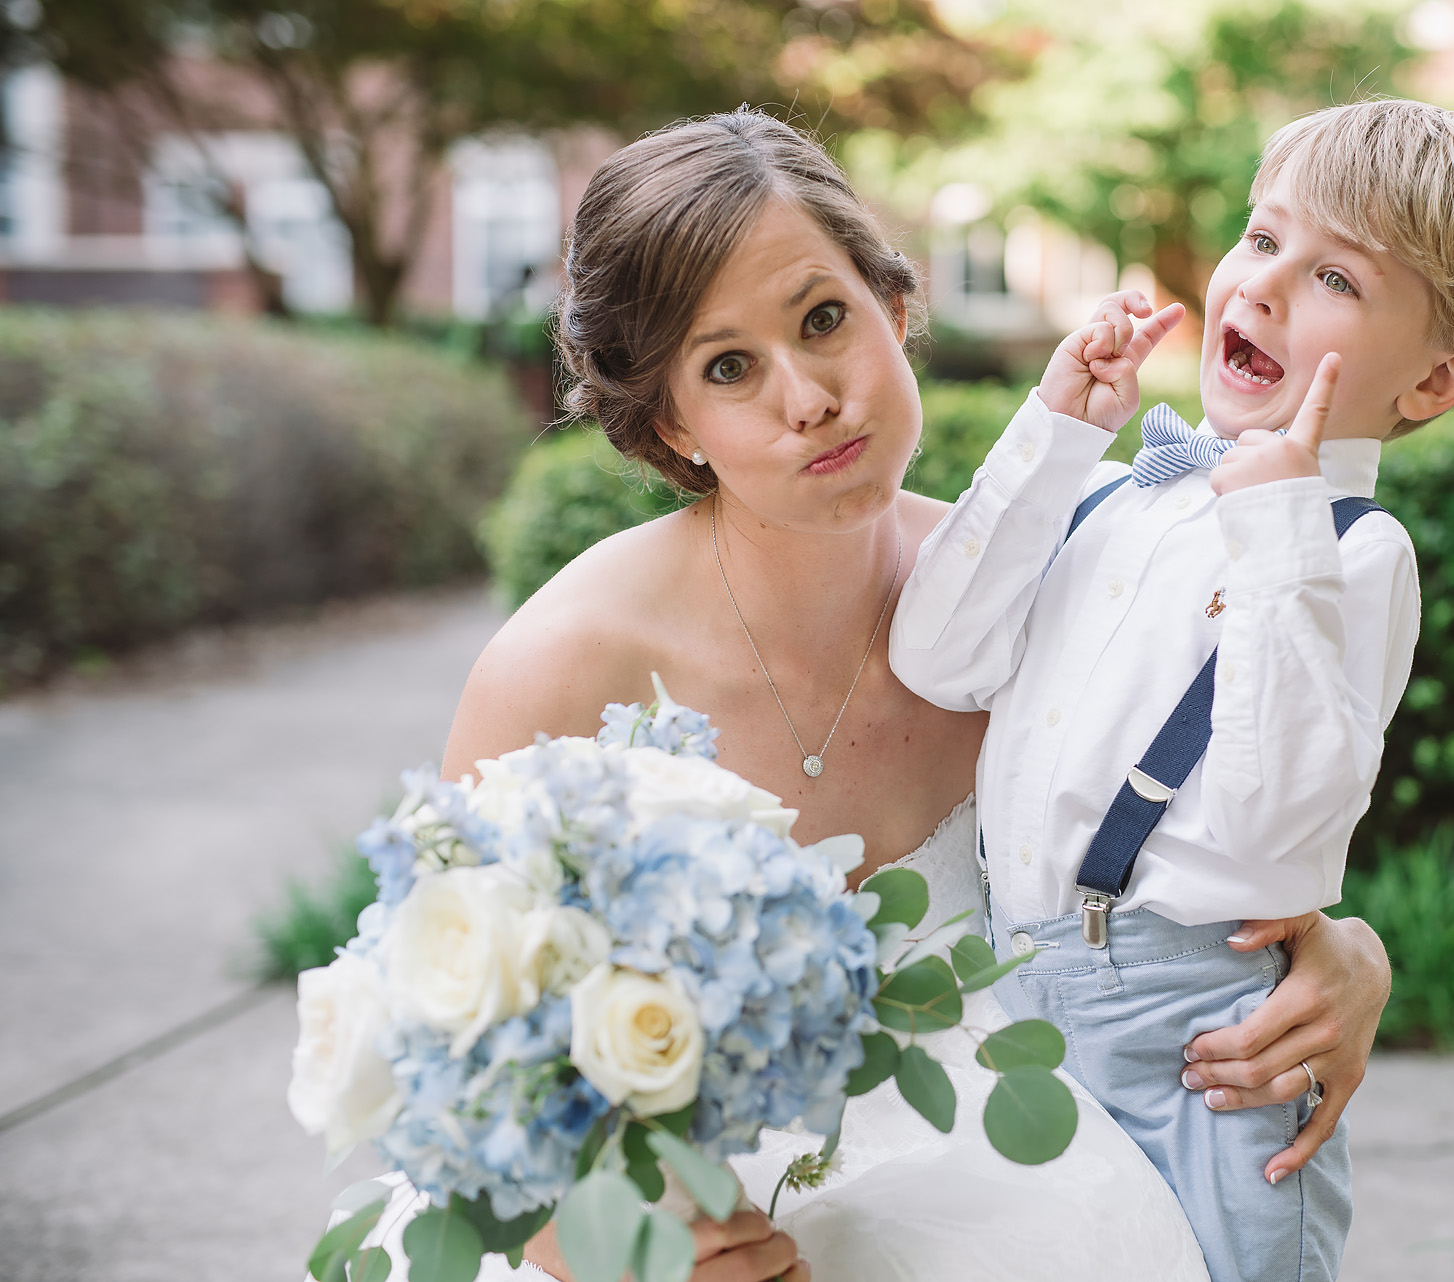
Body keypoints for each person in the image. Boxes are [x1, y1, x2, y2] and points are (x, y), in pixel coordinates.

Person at [434, 109, 1395, 1281]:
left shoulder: (1040, 597)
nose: (809, 397)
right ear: (673, 423)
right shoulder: (567, 660)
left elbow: (1229, 822)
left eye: (824, 319)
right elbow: (455, 1057)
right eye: (728, 365)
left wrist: (1339, 951)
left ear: (892, 310)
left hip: (1014, 1176)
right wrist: (615, 1245)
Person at [889, 98, 1454, 1282]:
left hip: (1195, 1046)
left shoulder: (1353, 554)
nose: (1261, 287)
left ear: (1439, 379)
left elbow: (1269, 836)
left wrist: (1272, 532)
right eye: (1262, 240)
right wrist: (1056, 436)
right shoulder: (1106, 497)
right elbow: (936, 658)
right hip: (1010, 995)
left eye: (1336, 279)